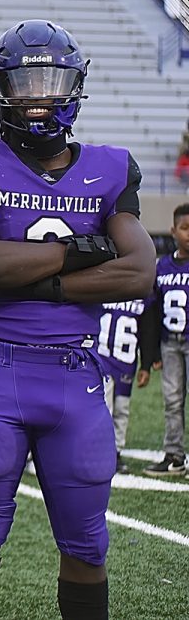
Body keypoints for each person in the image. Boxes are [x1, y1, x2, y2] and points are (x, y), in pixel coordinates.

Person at [0, 19, 155, 620]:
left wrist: (44, 282)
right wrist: (83, 251)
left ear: (74, 87)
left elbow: (137, 272)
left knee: (87, 545)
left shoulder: (111, 167)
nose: (38, 96)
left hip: (75, 373)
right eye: (24, 82)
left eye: (50, 81)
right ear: (0, 88)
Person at [143, 203, 189, 476]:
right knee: (172, 400)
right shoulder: (162, 266)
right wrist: (151, 355)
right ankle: (174, 454)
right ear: (173, 231)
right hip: (170, 342)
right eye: (185, 228)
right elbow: (152, 311)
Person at [98, 298, 155, 474]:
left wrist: (146, 364)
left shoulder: (142, 296)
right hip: (102, 359)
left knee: (122, 410)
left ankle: (116, 452)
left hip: (126, 363)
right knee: (103, 409)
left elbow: (147, 331)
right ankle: (100, 451)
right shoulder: (106, 287)